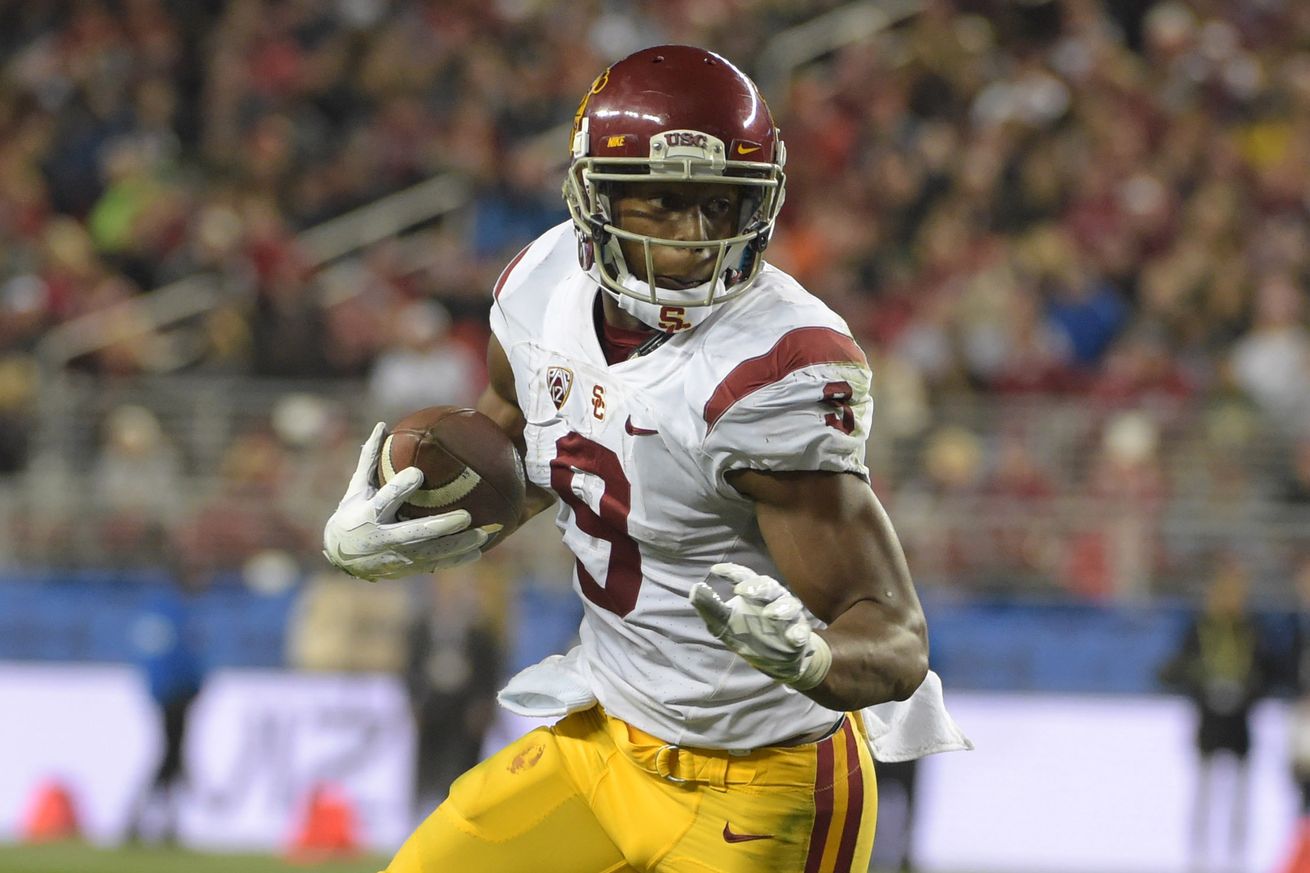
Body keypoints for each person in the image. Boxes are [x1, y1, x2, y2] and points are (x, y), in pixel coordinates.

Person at [324, 45, 966, 873]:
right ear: (598, 196)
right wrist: (404, 519)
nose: (696, 238)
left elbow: (895, 634)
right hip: (604, 742)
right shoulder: (541, 287)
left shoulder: (777, 368)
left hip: (762, 782)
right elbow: (519, 450)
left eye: (721, 204)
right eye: (664, 202)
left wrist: (813, 658)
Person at [1159, 556, 1274, 872]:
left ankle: (1237, 856)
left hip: (1240, 721)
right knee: (1205, 789)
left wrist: (1244, 695)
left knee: (1239, 793)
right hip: (1209, 720)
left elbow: (1266, 671)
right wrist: (1207, 693)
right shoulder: (1199, 629)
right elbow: (1180, 669)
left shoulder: (1251, 630)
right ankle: (1199, 855)